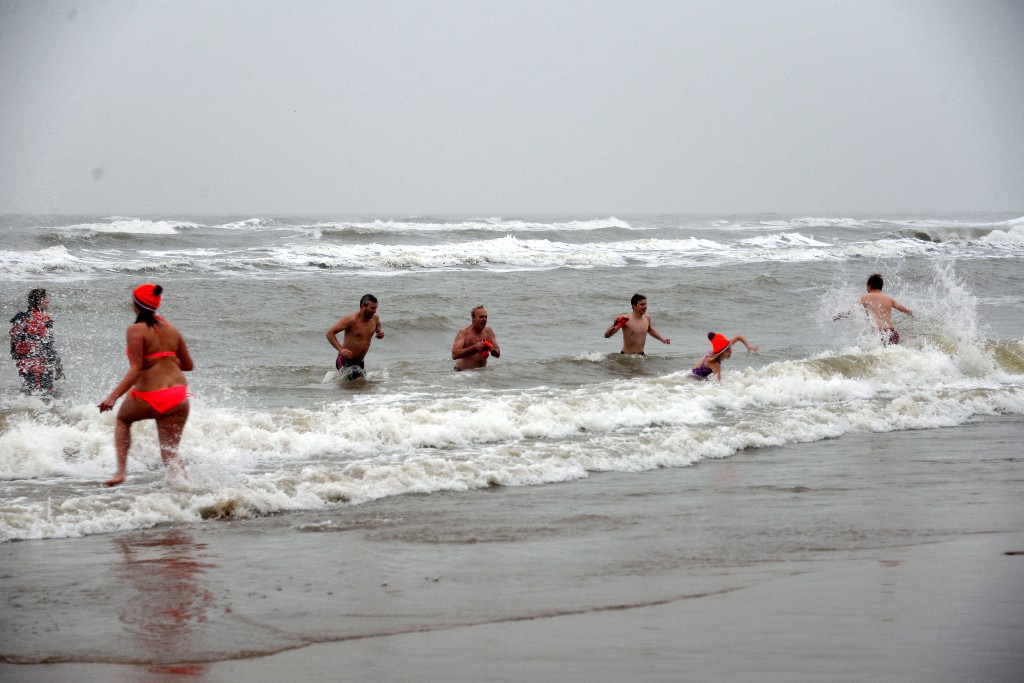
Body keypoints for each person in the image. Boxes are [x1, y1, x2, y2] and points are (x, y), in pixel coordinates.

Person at [99, 284, 193, 486]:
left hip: (150, 395)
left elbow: (135, 369)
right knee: (170, 451)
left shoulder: (135, 330)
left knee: (123, 421)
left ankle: (121, 473)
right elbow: (188, 365)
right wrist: (165, 359)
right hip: (178, 396)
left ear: (136, 305)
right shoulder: (172, 329)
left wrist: (112, 397)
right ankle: (187, 489)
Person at [9, 288, 64, 393]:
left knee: (29, 393)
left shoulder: (20, 317)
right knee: (47, 395)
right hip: (40, 365)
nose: (48, 301)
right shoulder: (43, 319)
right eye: (46, 298)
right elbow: (48, 345)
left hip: (23, 364)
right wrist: (58, 366)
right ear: (40, 300)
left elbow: (13, 340)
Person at [834, 273, 913, 345]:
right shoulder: (889, 299)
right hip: (891, 332)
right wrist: (914, 314)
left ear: (869, 286)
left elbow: (849, 312)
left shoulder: (864, 297)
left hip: (879, 334)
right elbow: (905, 310)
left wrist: (837, 316)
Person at [326, 294, 384, 380]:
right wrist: (341, 350)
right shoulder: (351, 320)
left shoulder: (375, 318)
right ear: (363, 306)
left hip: (360, 362)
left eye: (376, 308)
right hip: (345, 360)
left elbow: (378, 325)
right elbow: (330, 333)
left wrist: (379, 332)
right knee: (360, 382)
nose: (375, 311)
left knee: (356, 389)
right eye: (372, 308)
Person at [604, 293, 671, 354]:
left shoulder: (647, 318)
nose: (645, 307)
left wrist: (662, 339)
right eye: (642, 304)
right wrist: (614, 325)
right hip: (627, 356)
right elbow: (607, 336)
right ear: (634, 306)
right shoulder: (625, 319)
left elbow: (650, 330)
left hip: (641, 356)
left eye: (645, 304)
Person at [691, 332, 758, 382]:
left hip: (693, 373)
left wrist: (748, 346)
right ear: (720, 354)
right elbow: (718, 383)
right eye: (728, 351)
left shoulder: (723, 346)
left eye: (730, 349)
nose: (730, 352)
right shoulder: (715, 363)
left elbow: (738, 337)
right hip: (695, 379)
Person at [452, 306, 501, 371]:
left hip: (480, 374)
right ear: (473, 318)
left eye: (486, 317)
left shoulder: (489, 332)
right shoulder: (464, 333)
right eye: (481, 317)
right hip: (463, 373)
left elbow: (498, 354)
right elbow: (454, 355)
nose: (484, 319)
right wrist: (474, 348)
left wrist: (492, 350)